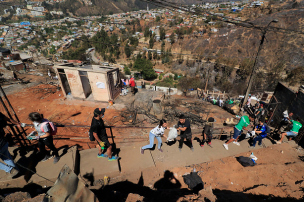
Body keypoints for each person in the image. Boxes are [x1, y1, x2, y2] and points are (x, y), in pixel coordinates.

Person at [0, 112, 20, 178]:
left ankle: (10, 169)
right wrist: (17, 123)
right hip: (3, 141)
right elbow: (7, 119)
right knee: (7, 158)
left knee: (7, 158)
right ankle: (16, 171)